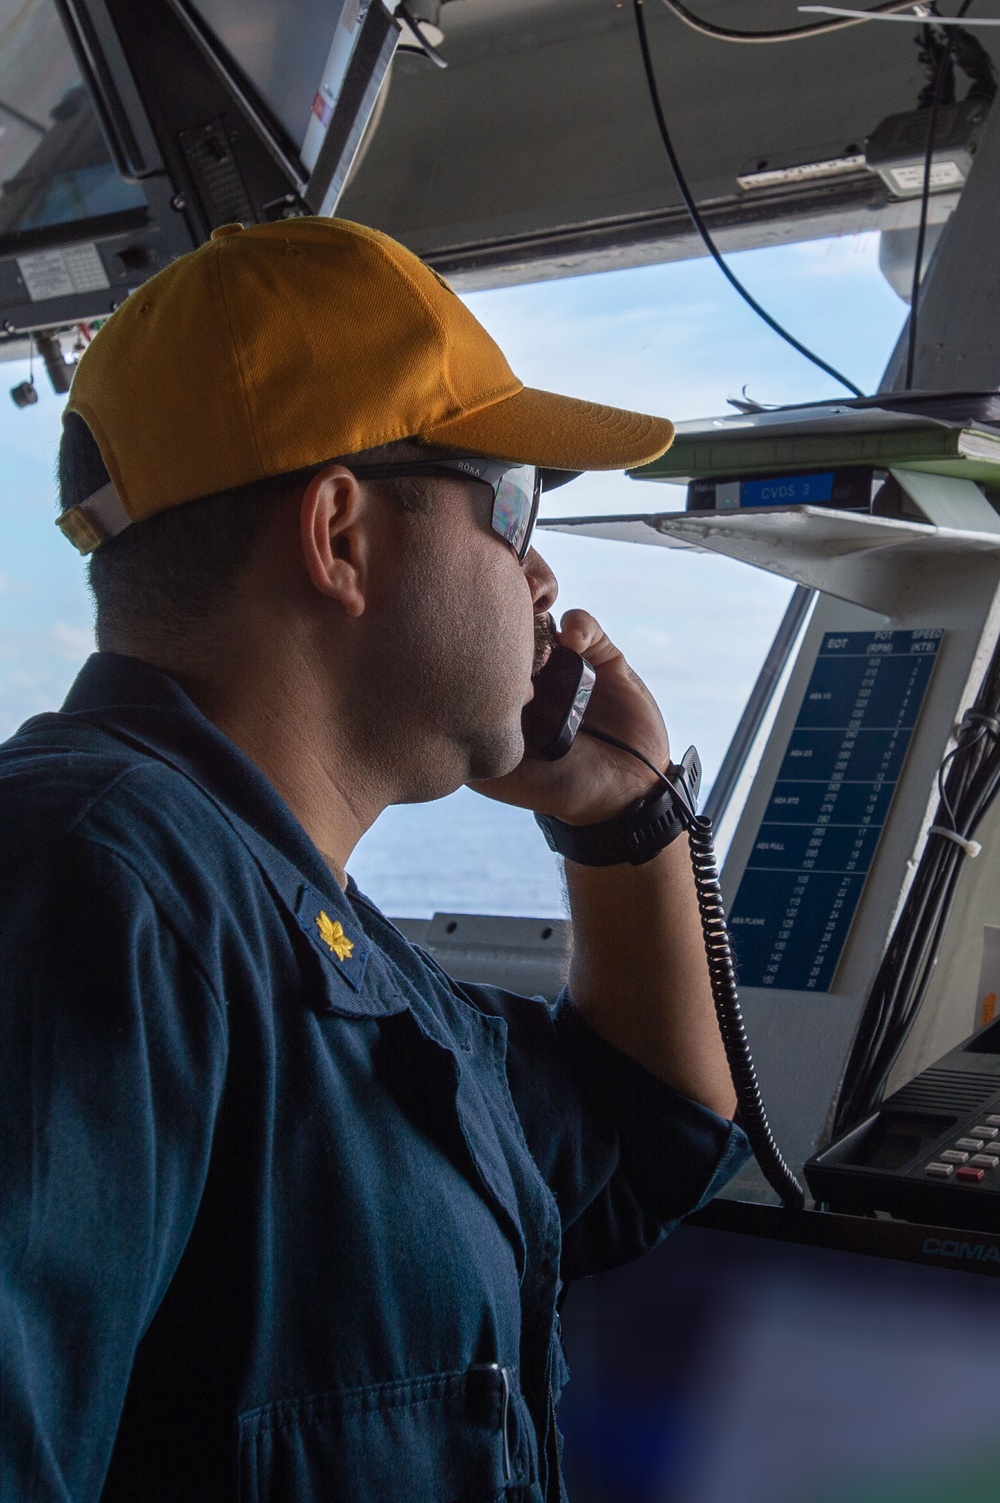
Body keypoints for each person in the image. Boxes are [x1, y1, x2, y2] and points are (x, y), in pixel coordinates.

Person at [0, 217, 747, 1502]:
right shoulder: (98, 885)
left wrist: (623, 817)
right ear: (340, 534)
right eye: (511, 504)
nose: (540, 571)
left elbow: (644, 1142)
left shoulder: (292, 921)